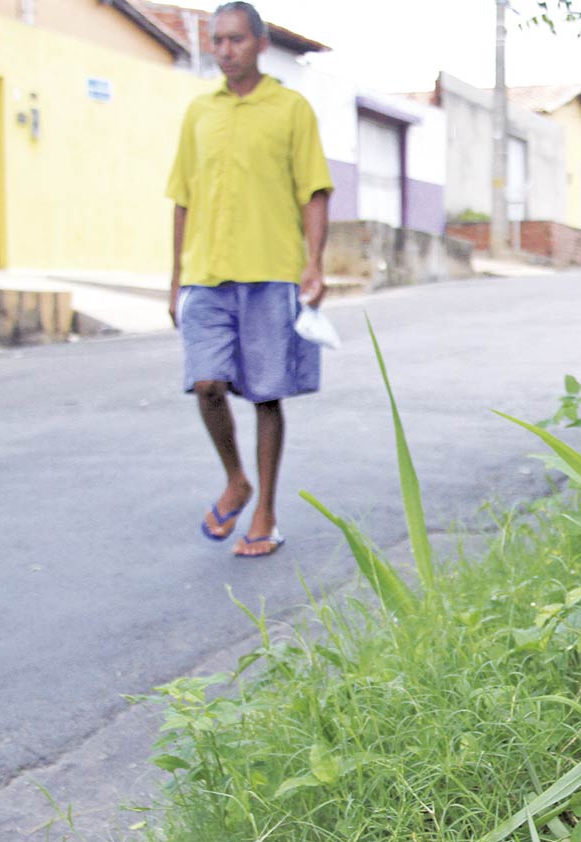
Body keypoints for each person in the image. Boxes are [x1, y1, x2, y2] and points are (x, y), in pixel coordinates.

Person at [165, 1, 332, 557]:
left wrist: (314, 263)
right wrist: (174, 281)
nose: (225, 50)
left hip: (270, 272)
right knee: (207, 384)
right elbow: (181, 199)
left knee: (265, 396)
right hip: (206, 276)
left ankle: (265, 512)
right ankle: (236, 479)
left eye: (236, 39)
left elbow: (314, 191)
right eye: (217, 40)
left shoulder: (291, 109)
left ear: (260, 44)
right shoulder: (199, 113)